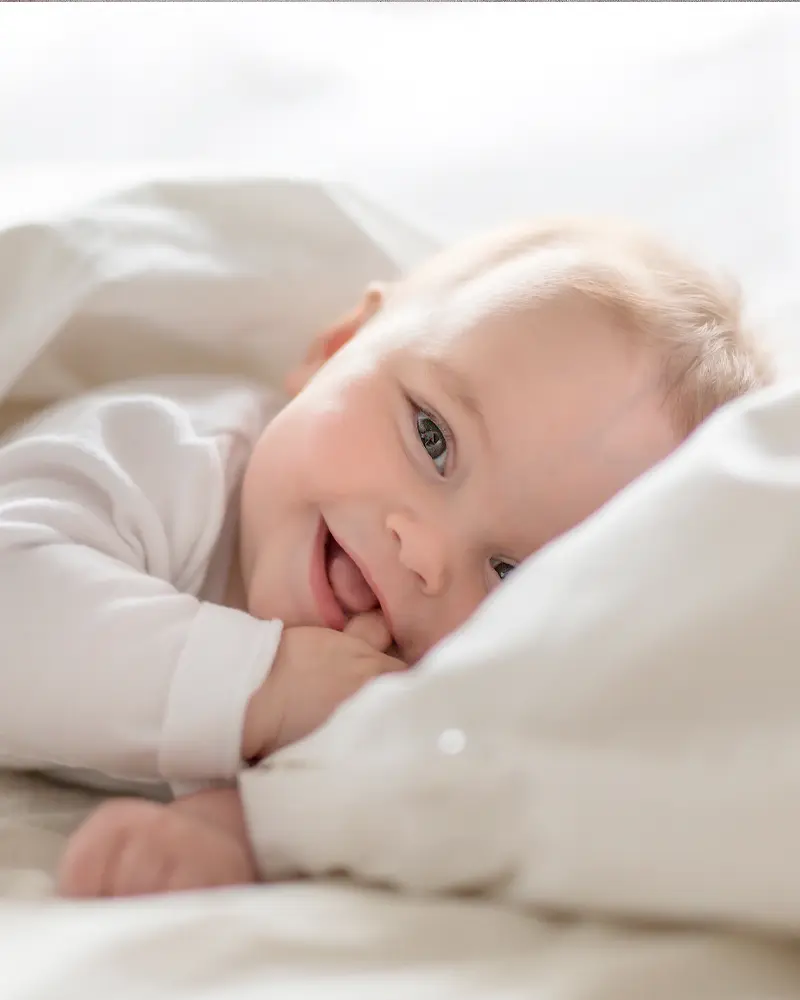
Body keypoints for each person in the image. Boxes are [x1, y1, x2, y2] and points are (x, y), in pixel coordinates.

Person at [0, 220, 769, 897]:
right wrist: (263, 686)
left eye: (511, 574)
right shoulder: (164, 453)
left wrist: (228, 831)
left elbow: (382, 789)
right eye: (432, 437)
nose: (426, 549)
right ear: (336, 348)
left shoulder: (413, 682)